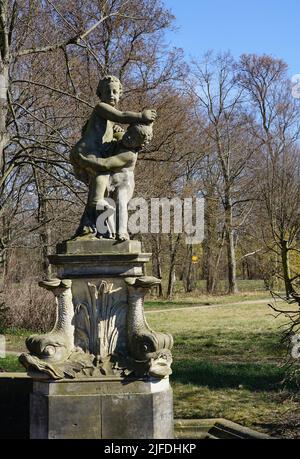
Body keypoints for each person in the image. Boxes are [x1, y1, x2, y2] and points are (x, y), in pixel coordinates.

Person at [70, 75, 156, 238]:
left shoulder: (122, 142)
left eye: (115, 92)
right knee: (101, 176)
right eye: (107, 92)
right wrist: (141, 116)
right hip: (87, 153)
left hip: (91, 153)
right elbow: (122, 116)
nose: (111, 95)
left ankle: (89, 224)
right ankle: (97, 210)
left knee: (101, 185)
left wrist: (120, 134)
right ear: (100, 94)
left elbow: (100, 131)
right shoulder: (101, 108)